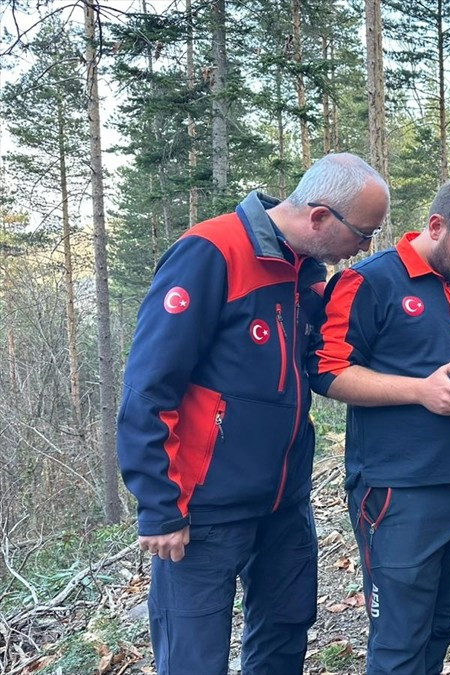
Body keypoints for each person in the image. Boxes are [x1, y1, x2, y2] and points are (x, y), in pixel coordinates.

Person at [117, 153, 389, 674]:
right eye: (362, 234)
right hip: (204, 508)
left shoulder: (307, 273)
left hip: (285, 502)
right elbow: (150, 385)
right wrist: (158, 504)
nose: (363, 248)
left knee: (285, 635)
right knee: (194, 659)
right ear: (319, 216)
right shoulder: (211, 253)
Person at [310, 176, 450, 674]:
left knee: (443, 624)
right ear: (436, 226)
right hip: (398, 489)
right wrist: (420, 390)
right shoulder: (370, 281)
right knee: (399, 640)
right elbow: (327, 371)